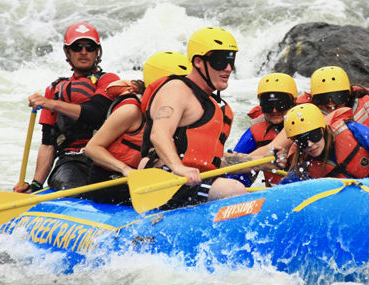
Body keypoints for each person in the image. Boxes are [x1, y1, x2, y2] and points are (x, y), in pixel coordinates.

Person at [139, 27, 286, 210]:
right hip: (164, 178)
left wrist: (262, 163)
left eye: (231, 61)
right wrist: (179, 167)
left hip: (194, 180)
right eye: (220, 61)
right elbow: (159, 133)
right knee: (234, 190)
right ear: (199, 62)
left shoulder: (220, 108)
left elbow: (216, 161)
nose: (228, 68)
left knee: (241, 189)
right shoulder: (177, 89)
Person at [13, 22, 120, 193]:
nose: (84, 52)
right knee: (74, 189)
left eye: (89, 47)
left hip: (106, 160)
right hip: (71, 161)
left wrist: (52, 104)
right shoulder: (54, 90)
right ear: (68, 52)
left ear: (97, 52)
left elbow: (96, 113)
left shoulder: (108, 81)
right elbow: (48, 144)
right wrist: (35, 185)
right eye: (77, 47)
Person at [83, 51, 191, 204]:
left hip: (144, 174)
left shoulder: (178, 112)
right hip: (109, 180)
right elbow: (92, 148)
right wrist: (125, 169)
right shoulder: (131, 111)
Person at [283, 104, 369, 180]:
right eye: (301, 141)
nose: (309, 144)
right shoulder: (303, 163)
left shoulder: (352, 132)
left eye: (314, 135)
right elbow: (287, 192)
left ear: (323, 130)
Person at [230, 73, 297, 187]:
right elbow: (234, 168)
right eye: (268, 105)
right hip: (276, 193)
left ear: (293, 102)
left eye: (281, 104)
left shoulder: (306, 120)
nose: (275, 110)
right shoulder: (255, 132)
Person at [297, 66, 369, 137]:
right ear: (314, 100)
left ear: (348, 96)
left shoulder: (365, 103)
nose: (330, 101)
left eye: (337, 96)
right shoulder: (304, 115)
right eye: (323, 97)